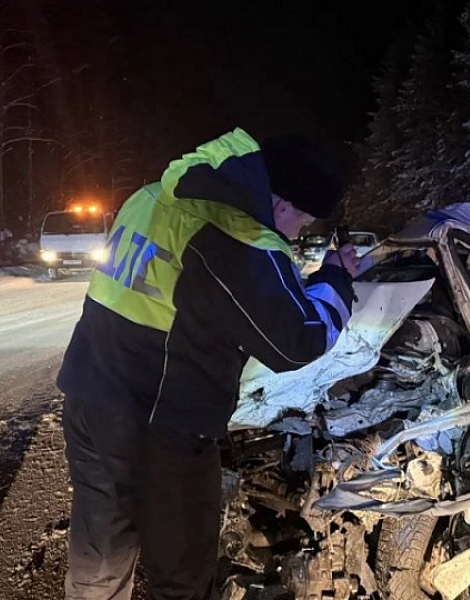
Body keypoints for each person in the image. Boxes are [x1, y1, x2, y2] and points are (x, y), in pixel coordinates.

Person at [57, 128, 359, 600]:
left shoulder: (153, 195)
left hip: (88, 394)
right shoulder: (232, 233)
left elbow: (189, 297)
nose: (299, 233)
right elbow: (297, 341)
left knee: (101, 548)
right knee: (180, 573)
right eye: (303, 222)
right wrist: (336, 281)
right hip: (158, 423)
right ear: (282, 203)